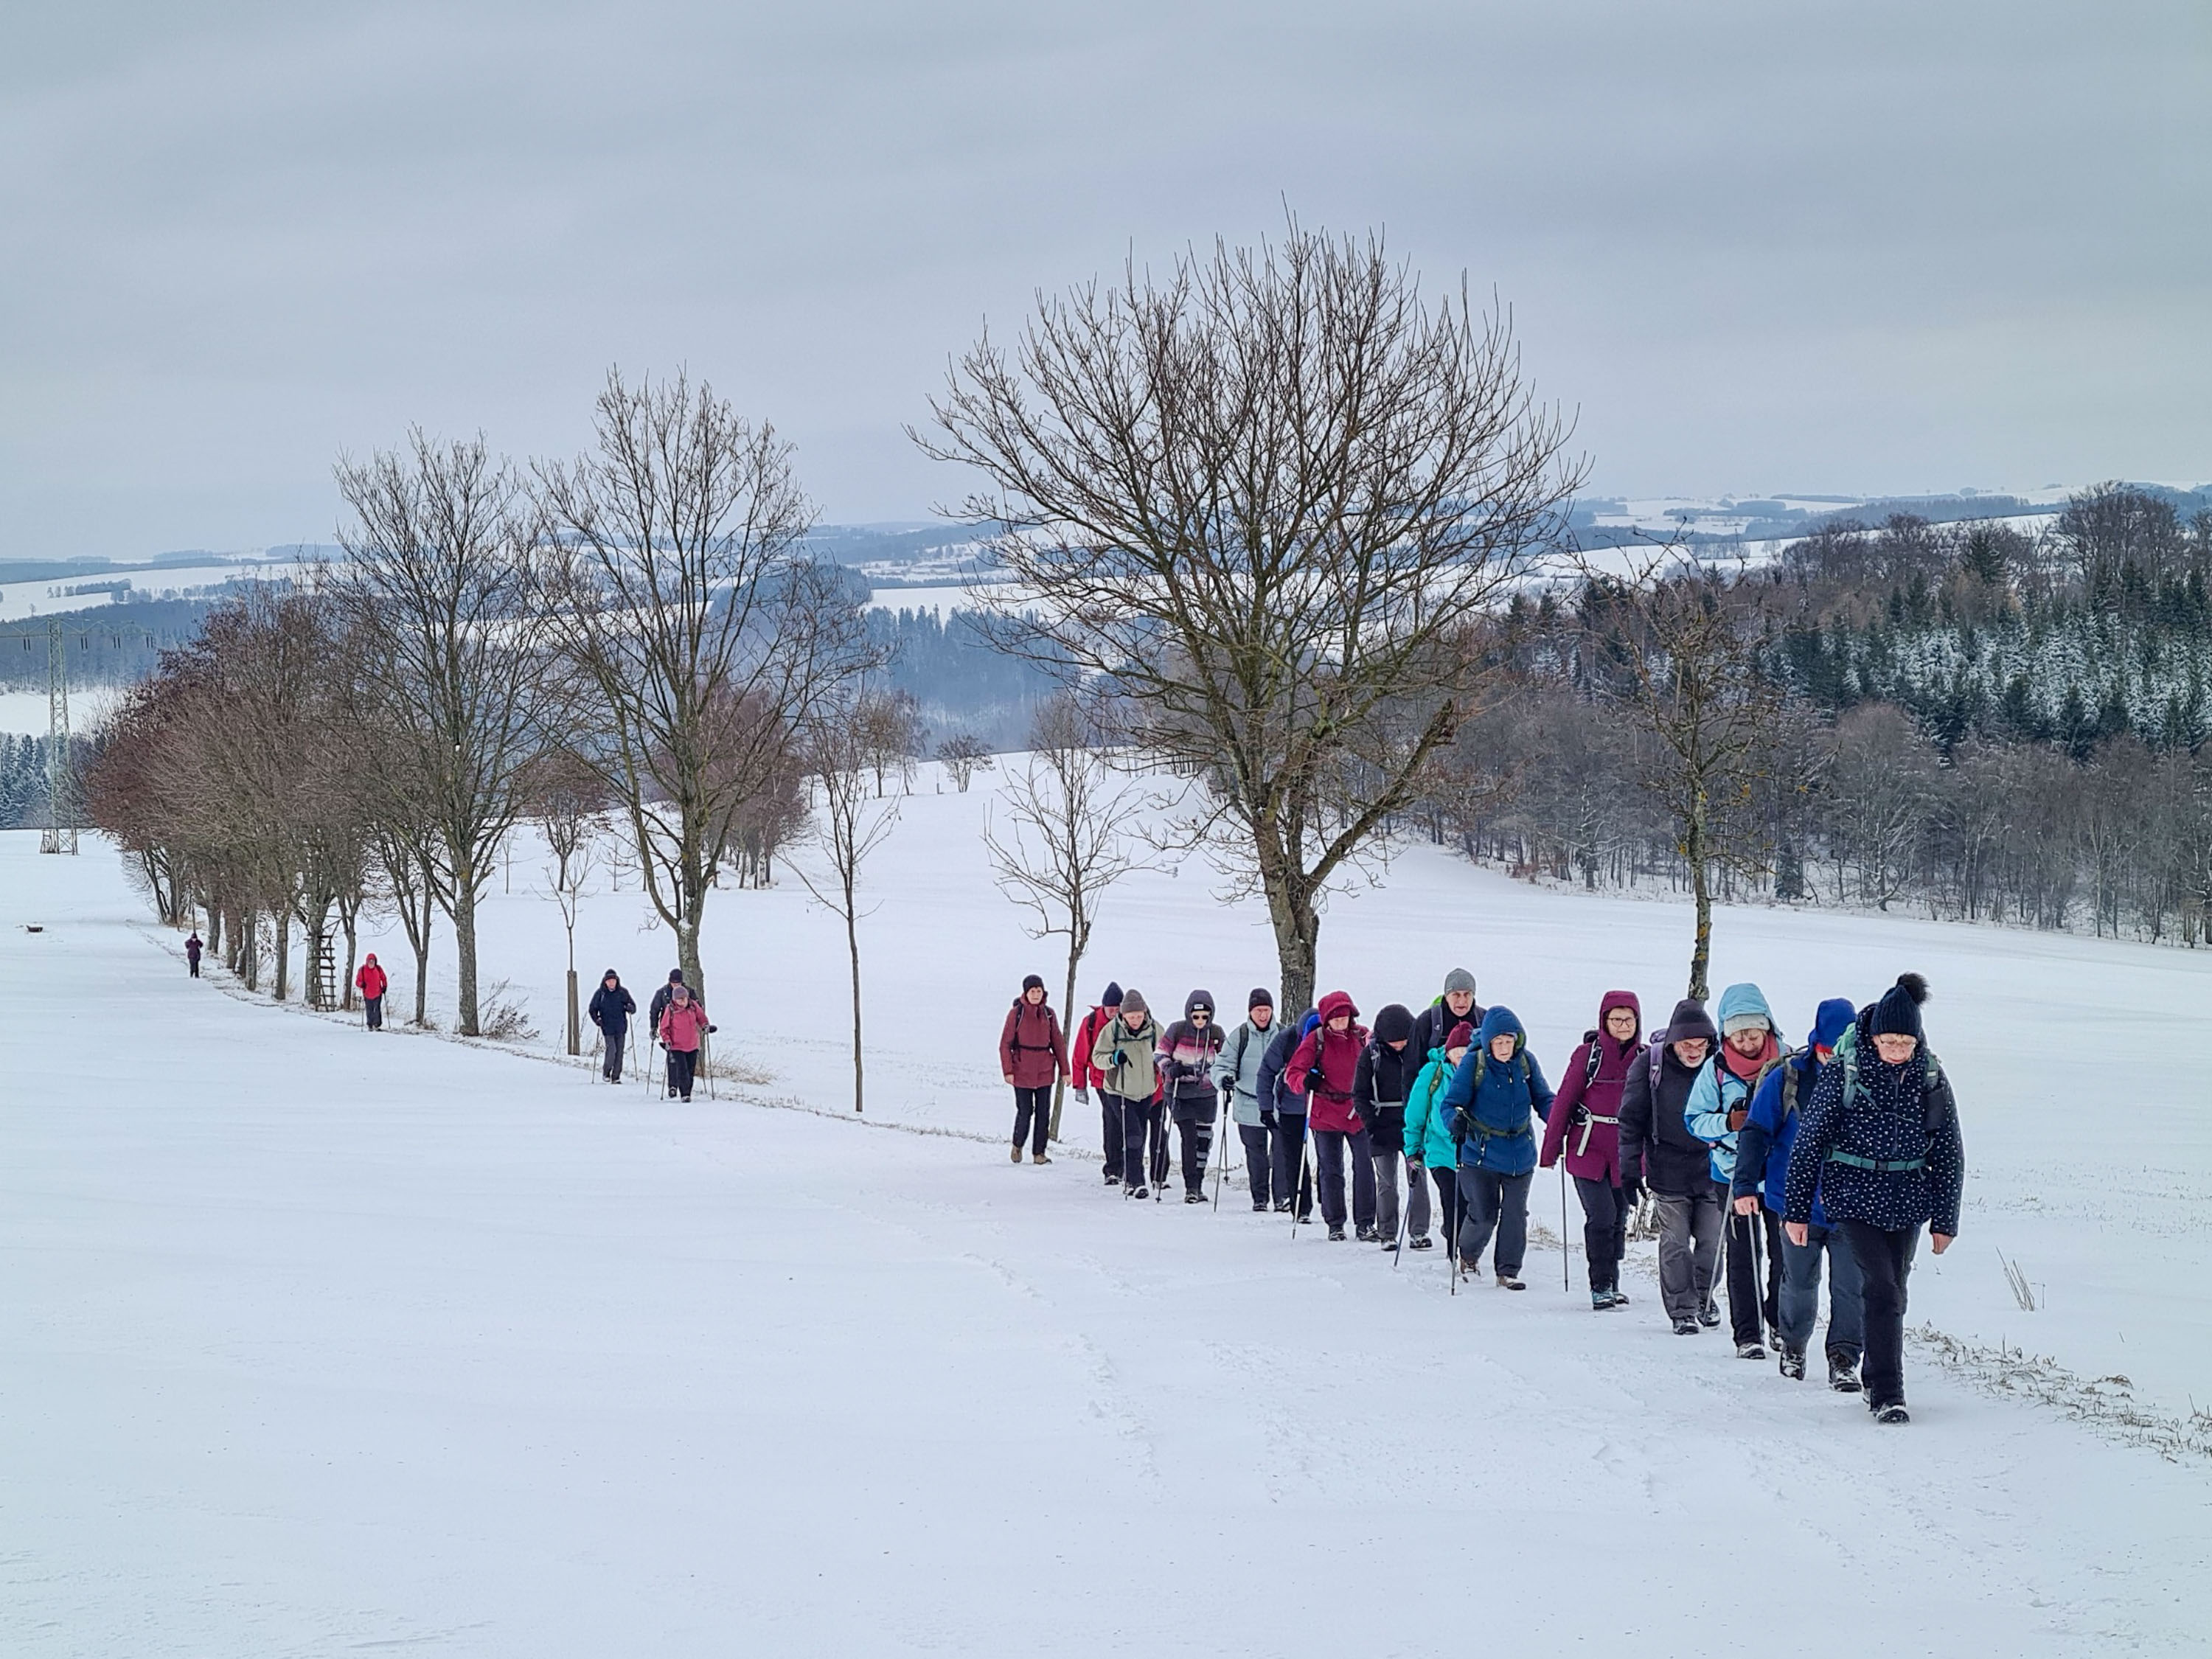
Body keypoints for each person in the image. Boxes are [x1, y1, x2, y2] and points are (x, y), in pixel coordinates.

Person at [1784, 974, 1964, 1425]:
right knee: (1881, 1288)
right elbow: (1808, 1143)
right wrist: (1797, 1212)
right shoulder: (1845, 1071)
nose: (1898, 1051)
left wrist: (1945, 1220)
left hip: (1908, 1201)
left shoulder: (1930, 1076)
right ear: (1874, 1038)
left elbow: (1949, 1150)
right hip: (1854, 1198)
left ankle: (1873, 1375)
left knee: (1894, 1292)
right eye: (1890, 1042)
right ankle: (1888, 1393)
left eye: (1906, 1043)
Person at [1736, 997, 1863, 1390]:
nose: (1832, 1058)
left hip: (1850, 1207)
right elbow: (1756, 1132)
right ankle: (1793, 1346)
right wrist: (1745, 1185)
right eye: (1825, 1050)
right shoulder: (1787, 1078)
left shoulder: (1867, 1079)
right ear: (1815, 1042)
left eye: (1840, 1051)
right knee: (1798, 1283)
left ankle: (1843, 1359)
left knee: (1851, 1286)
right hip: (1795, 1204)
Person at [1685, 983, 1787, 1358]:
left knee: (1785, 1254)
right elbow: (1694, 1119)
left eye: (1753, 1032)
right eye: (1738, 1034)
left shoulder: (1787, 1063)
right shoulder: (1715, 1070)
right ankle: (1748, 1334)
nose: (1746, 1041)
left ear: (1767, 1027)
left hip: (1778, 1173)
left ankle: (1780, 1323)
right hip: (1730, 1173)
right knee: (1743, 1255)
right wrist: (1728, 1123)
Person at [1620, 998, 1725, 1335]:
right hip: (1667, 1170)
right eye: (1687, 1045)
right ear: (1673, 1042)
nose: (1694, 1052)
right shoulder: (1649, 1066)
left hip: (1713, 1169)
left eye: (1701, 1045)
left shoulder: (1720, 1065)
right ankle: (1682, 1309)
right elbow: (1631, 1119)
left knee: (1712, 1241)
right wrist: (1629, 1169)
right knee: (1675, 1243)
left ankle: (1703, 1297)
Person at [1540, 990, 1643, 1310]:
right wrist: (1551, 1149)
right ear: (1604, 1021)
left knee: (1619, 1217)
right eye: (1616, 1019)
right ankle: (1600, 1285)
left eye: (1629, 1019)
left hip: (1625, 1154)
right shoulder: (1588, 1055)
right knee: (1601, 1215)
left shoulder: (1644, 1058)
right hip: (1588, 1150)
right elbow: (1564, 1102)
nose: (1623, 1025)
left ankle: (1612, 1281)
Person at [1441, 1006, 1554, 1289]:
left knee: (1516, 1215)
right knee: (1483, 1215)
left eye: (1509, 1041)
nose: (1505, 1047)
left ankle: (1508, 1271)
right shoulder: (1474, 1063)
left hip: (1520, 1153)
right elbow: (1451, 1103)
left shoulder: (1526, 1062)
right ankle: (1468, 1255)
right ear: (1488, 1042)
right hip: (1479, 1154)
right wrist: (1454, 1121)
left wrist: (1559, 1120)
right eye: (1499, 1042)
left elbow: (1543, 1098)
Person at [1288, 992, 1377, 1241]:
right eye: (1335, 1018)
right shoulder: (1316, 1040)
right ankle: (1335, 1223)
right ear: (1326, 1019)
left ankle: (1366, 1223)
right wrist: (1305, 1081)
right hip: (1325, 1112)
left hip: (1356, 1111)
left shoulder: (1361, 1037)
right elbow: (1293, 1073)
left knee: (1364, 1166)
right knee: (1331, 1169)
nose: (1340, 1022)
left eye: (1344, 1017)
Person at [1357, 1004, 1425, 1250]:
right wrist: (1370, 1122)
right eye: (1394, 1041)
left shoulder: (1418, 1052)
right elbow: (1360, 1093)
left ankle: (1419, 1232)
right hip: (1382, 1125)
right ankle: (1387, 1233)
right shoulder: (1371, 1055)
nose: (1399, 1045)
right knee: (1386, 1182)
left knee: (1418, 1178)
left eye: (1403, 1040)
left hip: (1412, 1125)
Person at [1403, 1020, 1473, 1253]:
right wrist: (1412, 1149)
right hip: (1439, 1150)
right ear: (1448, 1052)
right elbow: (1415, 1113)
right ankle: (1456, 1254)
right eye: (1457, 1051)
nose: (1461, 1056)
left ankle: (1462, 1244)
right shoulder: (1433, 1073)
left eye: (1466, 1051)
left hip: (1472, 1154)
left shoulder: (1481, 1074)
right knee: (1452, 1200)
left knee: (1472, 1205)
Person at [1092, 989, 1164, 1199]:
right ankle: (1137, 1181)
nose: (1135, 1021)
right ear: (1123, 1015)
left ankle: (1132, 1178)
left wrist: (1167, 1068)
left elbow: (1165, 1052)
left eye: (1139, 1016)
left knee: (1140, 1135)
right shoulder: (1112, 1030)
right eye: (1131, 1017)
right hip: (1119, 1091)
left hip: (1146, 1091)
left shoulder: (1154, 1030)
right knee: (1133, 1136)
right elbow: (1097, 1057)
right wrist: (1114, 1059)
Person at [1156, 991, 1225, 1200]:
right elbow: (1160, 1054)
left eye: (1205, 1016)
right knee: (1189, 1137)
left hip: (1206, 1093)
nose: (1200, 1021)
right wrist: (1170, 1068)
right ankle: (1191, 1187)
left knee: (1204, 1138)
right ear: (1189, 1014)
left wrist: (1226, 1076)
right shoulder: (1177, 1029)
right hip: (1180, 1092)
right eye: (1196, 1016)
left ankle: (1199, 1182)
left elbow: (1226, 1059)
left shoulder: (1216, 1033)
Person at [1214, 989, 1278, 1211]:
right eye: (1258, 1010)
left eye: (1266, 1010)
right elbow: (1222, 1064)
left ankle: (1282, 1198)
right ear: (1250, 1012)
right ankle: (1260, 1198)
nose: (1263, 1015)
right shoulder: (1239, 1036)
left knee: (1281, 1152)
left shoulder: (1283, 1034)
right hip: (1248, 1103)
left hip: (1278, 1104)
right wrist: (1224, 1079)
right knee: (1256, 1153)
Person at [1000, 973, 1068, 1165]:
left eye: (1039, 991)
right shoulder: (1016, 1014)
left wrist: (1065, 1070)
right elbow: (1005, 1044)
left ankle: (1039, 1153)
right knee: (1025, 1111)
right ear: (1026, 993)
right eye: (1033, 991)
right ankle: (1018, 1145)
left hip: (1045, 1070)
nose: (1036, 994)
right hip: (1022, 1070)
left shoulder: (1049, 1014)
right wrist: (1008, 1071)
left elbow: (1058, 1043)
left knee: (1043, 1113)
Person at [1259, 1009, 1317, 1220]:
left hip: (1324, 1106)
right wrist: (1266, 1107)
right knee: (1295, 1158)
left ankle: (1330, 1205)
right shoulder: (1286, 1040)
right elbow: (1267, 1071)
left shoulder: (1331, 1038)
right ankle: (1301, 1207)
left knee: (1328, 1159)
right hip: (1291, 1108)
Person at [1070, 982, 1125, 1186]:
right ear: (1104, 1007)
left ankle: (1127, 1167)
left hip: (1128, 1081)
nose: (1115, 1013)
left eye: (1118, 1009)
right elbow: (1080, 1055)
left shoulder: (1129, 1020)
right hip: (1102, 1081)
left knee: (1126, 1122)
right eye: (1112, 1009)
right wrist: (1080, 1085)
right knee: (1112, 1121)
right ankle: (1112, 1169)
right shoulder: (1091, 1022)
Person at [1408, 969, 1483, 1068]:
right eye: (1456, 995)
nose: (1462, 1001)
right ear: (1446, 996)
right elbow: (1412, 1065)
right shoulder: (1427, 1021)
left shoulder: (1484, 1020)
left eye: (1467, 994)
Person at [657, 982, 711, 1102]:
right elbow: (664, 1028)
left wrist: (705, 1026)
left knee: (690, 1071)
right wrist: (667, 1040)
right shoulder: (670, 1009)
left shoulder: (694, 1006)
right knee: (682, 1070)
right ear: (674, 1000)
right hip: (677, 1046)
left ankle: (688, 1092)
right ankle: (684, 1094)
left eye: (684, 999)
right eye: (679, 999)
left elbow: (701, 1018)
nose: (682, 1001)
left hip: (692, 1044)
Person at [588, 969, 636, 1082]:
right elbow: (592, 1009)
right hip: (607, 1027)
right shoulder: (601, 994)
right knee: (612, 1051)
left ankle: (616, 1077)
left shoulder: (623, 992)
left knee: (619, 1053)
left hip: (621, 1027)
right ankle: (606, 1072)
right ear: (605, 982)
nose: (611, 983)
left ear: (617, 981)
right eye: (609, 981)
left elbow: (633, 1007)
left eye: (613, 980)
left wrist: (630, 1008)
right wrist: (597, 1019)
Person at [355, 953, 388, 1032]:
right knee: (369, 1010)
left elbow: (384, 978)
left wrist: (384, 986)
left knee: (377, 1009)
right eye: (370, 961)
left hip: (378, 993)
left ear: (375, 962)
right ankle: (370, 1024)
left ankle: (377, 1024)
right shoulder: (362, 970)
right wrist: (361, 984)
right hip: (367, 994)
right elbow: (357, 981)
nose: (371, 963)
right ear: (367, 961)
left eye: (373, 961)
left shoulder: (378, 969)